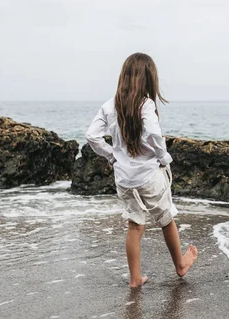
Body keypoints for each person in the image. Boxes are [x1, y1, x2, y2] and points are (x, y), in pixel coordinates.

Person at [85, 52, 198, 288]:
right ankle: (180, 264)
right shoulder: (145, 105)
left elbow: (92, 136)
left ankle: (135, 278)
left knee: (135, 225)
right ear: (148, 79)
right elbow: (154, 134)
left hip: (124, 179)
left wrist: (111, 156)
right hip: (149, 176)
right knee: (166, 219)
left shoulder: (110, 105)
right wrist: (163, 156)